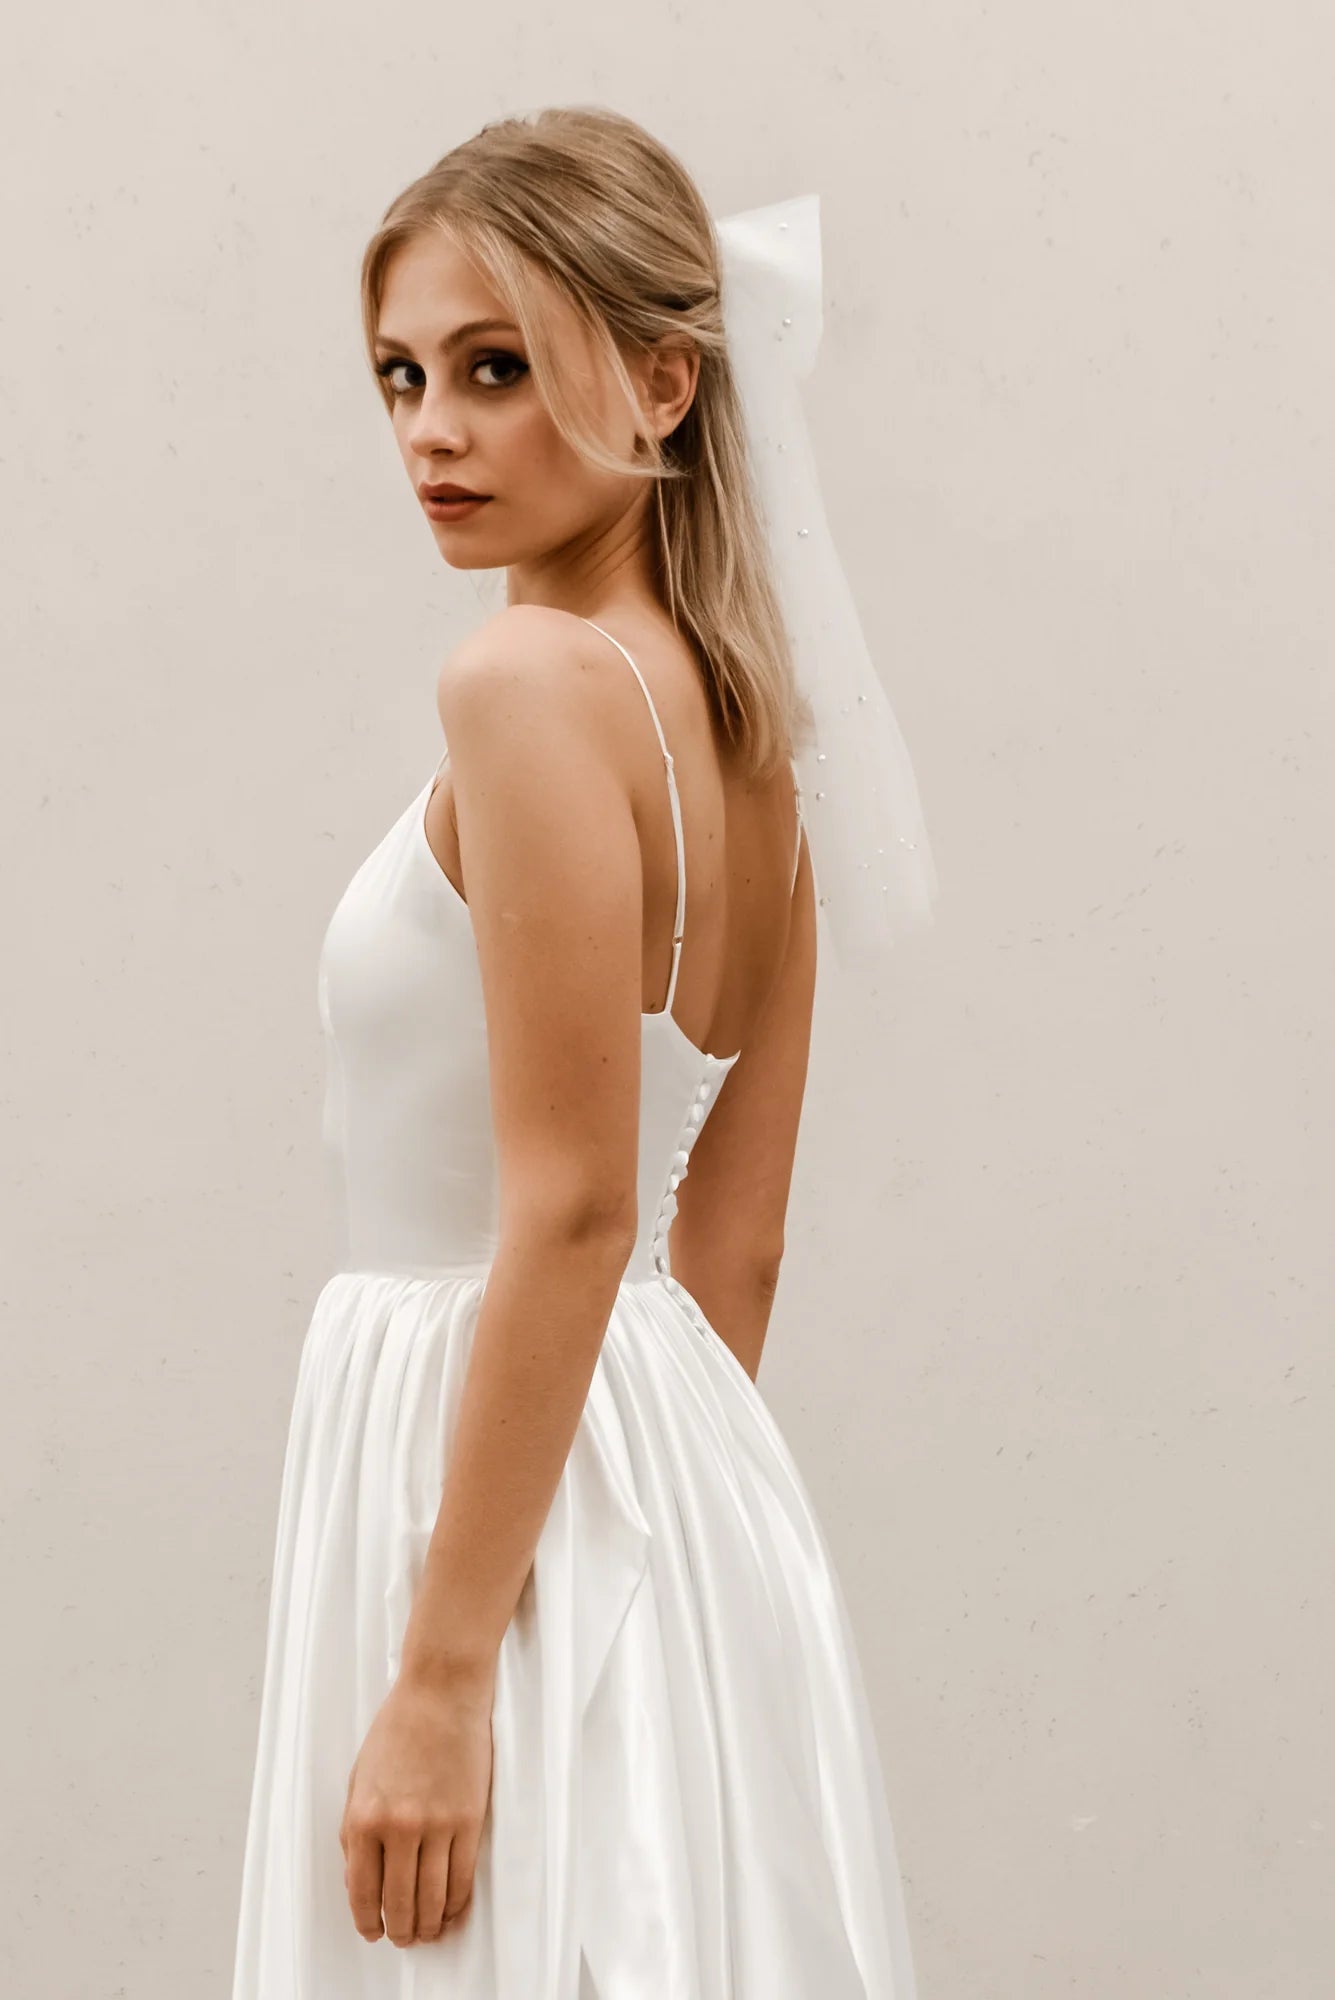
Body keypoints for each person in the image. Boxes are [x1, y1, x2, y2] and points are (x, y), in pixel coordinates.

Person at [232, 105, 926, 1999]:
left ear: (665, 382)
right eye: (400, 376)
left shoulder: (524, 683)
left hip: (466, 1458)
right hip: (673, 1473)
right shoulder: (761, 762)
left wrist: (450, 1670)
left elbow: (574, 1210)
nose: (432, 432)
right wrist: (653, 1540)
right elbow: (734, 1253)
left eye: (496, 369)